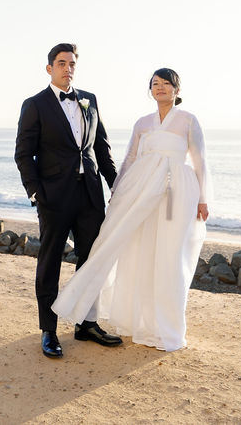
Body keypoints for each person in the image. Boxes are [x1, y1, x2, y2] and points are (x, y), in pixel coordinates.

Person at [51, 67, 211, 351]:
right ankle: (132, 319)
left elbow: (200, 162)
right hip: (139, 193)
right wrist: (117, 191)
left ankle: (166, 327)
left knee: (169, 257)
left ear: (177, 89)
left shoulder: (188, 121)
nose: (159, 88)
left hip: (175, 194)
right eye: (154, 84)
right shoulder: (143, 123)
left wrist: (203, 199)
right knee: (140, 253)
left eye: (165, 83)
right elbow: (129, 159)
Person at [14, 43, 121, 359]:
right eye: (61, 63)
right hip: (54, 198)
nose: (67, 68)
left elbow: (101, 149)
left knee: (92, 260)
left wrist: (118, 186)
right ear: (50, 68)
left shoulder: (90, 100)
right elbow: (23, 154)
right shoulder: (35, 105)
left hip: (89, 195)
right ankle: (48, 330)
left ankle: (86, 324)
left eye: (72, 63)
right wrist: (36, 193)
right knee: (49, 263)